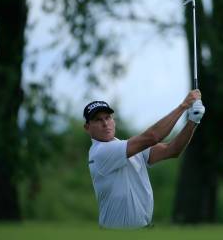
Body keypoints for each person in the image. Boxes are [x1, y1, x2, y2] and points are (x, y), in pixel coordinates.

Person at [83, 90, 205, 229]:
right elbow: (152, 137)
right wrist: (183, 106)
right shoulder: (100, 152)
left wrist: (193, 121)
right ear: (87, 127)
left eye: (108, 117)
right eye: (98, 120)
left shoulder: (128, 148)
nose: (105, 123)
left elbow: (172, 150)